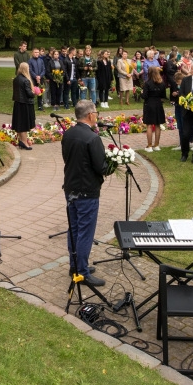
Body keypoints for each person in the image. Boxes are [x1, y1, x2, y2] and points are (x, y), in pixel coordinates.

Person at [62, 99, 107, 288]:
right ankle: (82, 272)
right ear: (90, 115)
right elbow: (101, 167)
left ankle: (75, 266)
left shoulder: (68, 134)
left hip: (71, 187)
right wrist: (112, 164)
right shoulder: (92, 138)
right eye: (95, 112)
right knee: (85, 233)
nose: (97, 115)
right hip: (87, 191)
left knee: (74, 229)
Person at [141, 66, 168, 152]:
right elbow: (163, 95)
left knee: (149, 125)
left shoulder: (147, 83)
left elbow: (145, 96)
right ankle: (156, 145)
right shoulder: (162, 83)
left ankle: (149, 146)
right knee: (157, 125)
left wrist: (141, 93)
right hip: (158, 104)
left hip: (149, 104)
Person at [11, 62, 37, 149]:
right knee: (24, 124)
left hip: (17, 103)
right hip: (25, 104)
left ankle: (21, 141)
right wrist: (35, 93)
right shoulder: (26, 80)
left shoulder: (16, 79)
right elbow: (29, 93)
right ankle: (24, 142)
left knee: (19, 123)